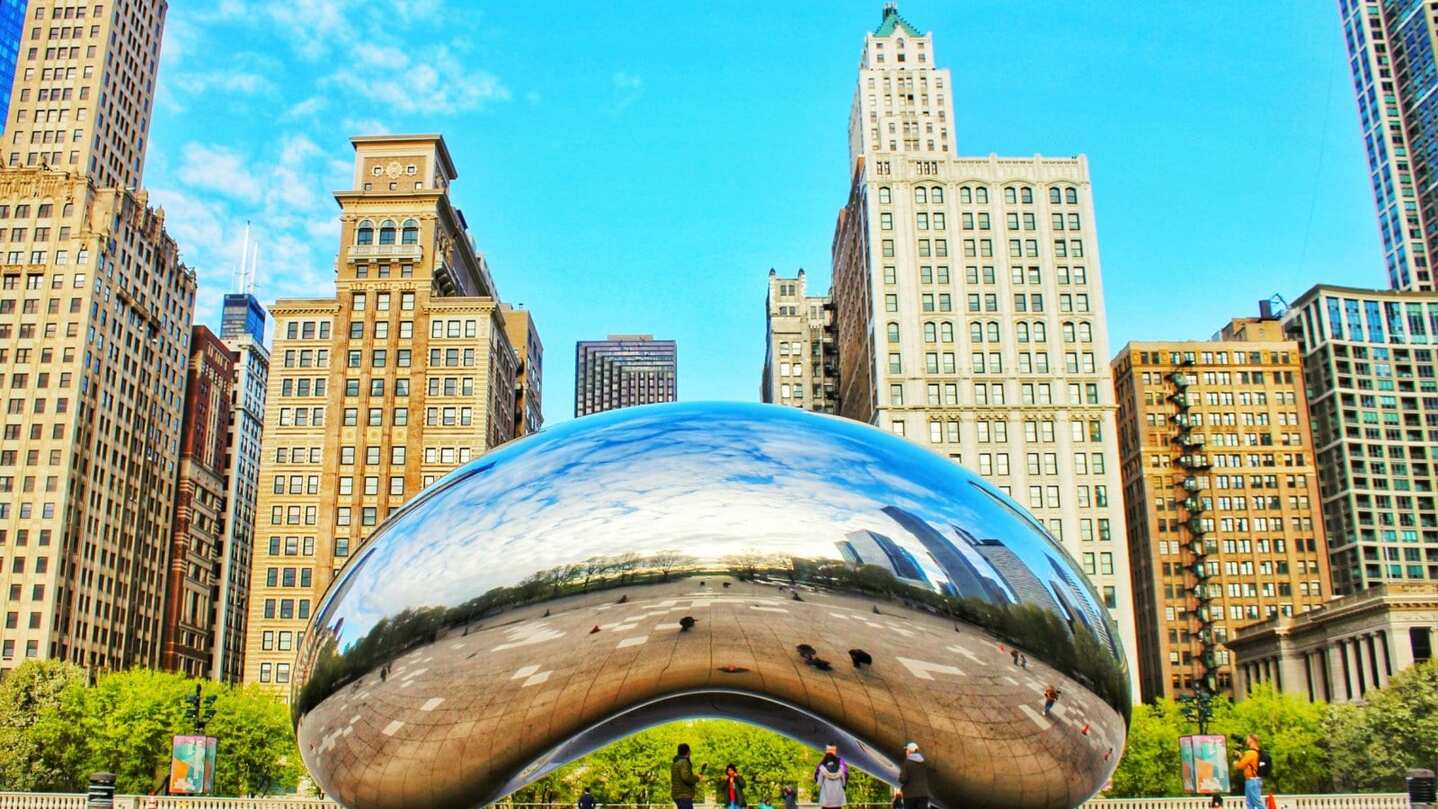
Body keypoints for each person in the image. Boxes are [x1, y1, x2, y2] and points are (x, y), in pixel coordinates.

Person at [898, 742, 930, 809]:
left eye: (907, 750)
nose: (906, 752)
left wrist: (900, 779)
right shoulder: (924, 763)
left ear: (910, 751)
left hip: (910, 795)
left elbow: (903, 779)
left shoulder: (907, 763)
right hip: (923, 794)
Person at [1234, 735, 1263, 809]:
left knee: (1257, 803)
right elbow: (1248, 764)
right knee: (1249, 804)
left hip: (1252, 781)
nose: (1246, 740)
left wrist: (1235, 762)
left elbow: (1240, 766)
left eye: (1248, 739)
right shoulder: (1256, 752)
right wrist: (1241, 757)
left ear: (1252, 740)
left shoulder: (1251, 753)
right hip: (1253, 780)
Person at [671, 743, 703, 809]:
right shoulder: (684, 762)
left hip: (677, 794)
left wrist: (693, 776)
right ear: (688, 752)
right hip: (684, 795)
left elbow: (682, 776)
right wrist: (697, 778)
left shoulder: (675, 763)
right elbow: (686, 777)